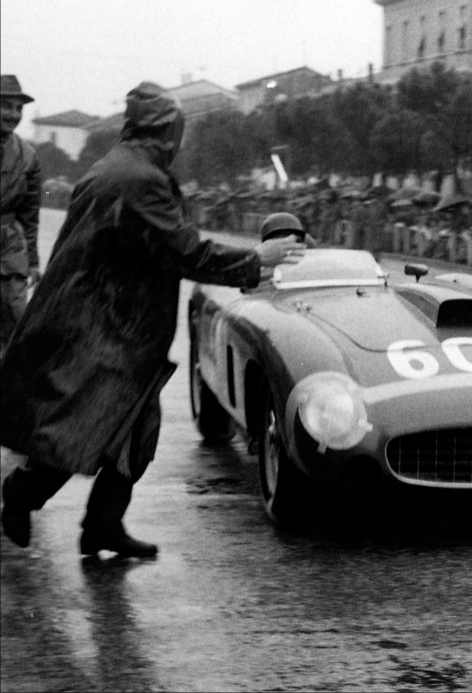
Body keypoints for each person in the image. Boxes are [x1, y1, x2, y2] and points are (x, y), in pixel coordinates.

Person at [0, 82, 306, 556]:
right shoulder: (138, 179)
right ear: (165, 132)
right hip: (106, 329)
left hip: (113, 325)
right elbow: (183, 249)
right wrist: (256, 258)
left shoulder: (120, 167)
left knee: (130, 432)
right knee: (88, 427)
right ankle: (23, 494)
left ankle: (101, 526)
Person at [1, 75, 42, 357]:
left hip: (10, 249)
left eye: (18, 109)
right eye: (6, 106)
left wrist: (33, 261)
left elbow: (30, 214)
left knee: (16, 325)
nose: (13, 115)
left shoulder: (27, 155)